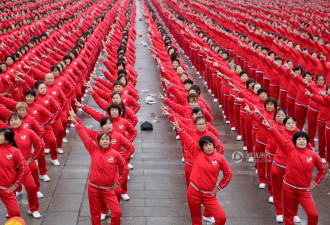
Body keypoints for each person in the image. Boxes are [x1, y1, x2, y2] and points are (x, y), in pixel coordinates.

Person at [262, 120, 327, 225]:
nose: (301, 141)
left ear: (307, 141)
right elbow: (279, 138)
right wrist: (270, 127)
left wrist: (314, 183)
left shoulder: (313, 155)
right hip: (288, 188)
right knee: (288, 216)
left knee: (313, 215)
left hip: (304, 191)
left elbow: (323, 169)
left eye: (304, 139)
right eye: (299, 139)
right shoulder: (289, 150)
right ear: (295, 141)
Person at [68, 114, 129, 225]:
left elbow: (125, 169)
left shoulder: (115, 154)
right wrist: (76, 122)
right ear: (98, 141)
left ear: (110, 141)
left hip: (108, 189)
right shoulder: (93, 149)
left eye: (107, 139)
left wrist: (119, 182)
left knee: (117, 212)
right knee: (95, 213)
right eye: (102, 139)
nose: (105, 141)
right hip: (93, 188)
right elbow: (84, 135)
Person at [173, 119, 232, 225]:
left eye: (210, 144)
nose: (208, 147)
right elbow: (187, 139)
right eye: (205, 145)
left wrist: (219, 187)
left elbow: (228, 174)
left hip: (209, 194)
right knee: (196, 220)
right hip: (193, 191)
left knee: (221, 218)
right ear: (201, 147)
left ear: (213, 145)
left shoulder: (219, 158)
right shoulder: (197, 153)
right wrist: (179, 128)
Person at [0, 128, 28, 218]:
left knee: (15, 213)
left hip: (6, 189)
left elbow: (24, 168)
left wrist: (16, 184)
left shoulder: (15, 151)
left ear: (7, 139)